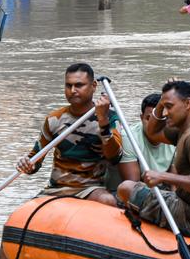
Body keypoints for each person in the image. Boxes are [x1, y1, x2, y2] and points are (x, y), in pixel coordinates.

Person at [119, 80, 190, 237]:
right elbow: (152, 132)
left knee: (126, 188)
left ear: (187, 103)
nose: (164, 113)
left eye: (169, 107)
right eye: (164, 107)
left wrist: (162, 176)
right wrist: (161, 102)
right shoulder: (188, 129)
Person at [16, 63, 121, 206]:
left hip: (90, 189)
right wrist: (27, 165)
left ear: (94, 86)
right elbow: (35, 160)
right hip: (56, 188)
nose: (73, 90)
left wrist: (103, 121)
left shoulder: (111, 117)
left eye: (79, 85)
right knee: (25, 212)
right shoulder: (54, 119)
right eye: (68, 85)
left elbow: (115, 156)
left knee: (107, 201)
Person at [117, 93, 177, 185]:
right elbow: (133, 186)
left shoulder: (174, 136)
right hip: (138, 189)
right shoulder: (129, 137)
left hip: (162, 187)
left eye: (160, 118)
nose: (153, 124)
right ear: (141, 118)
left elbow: (174, 184)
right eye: (148, 118)